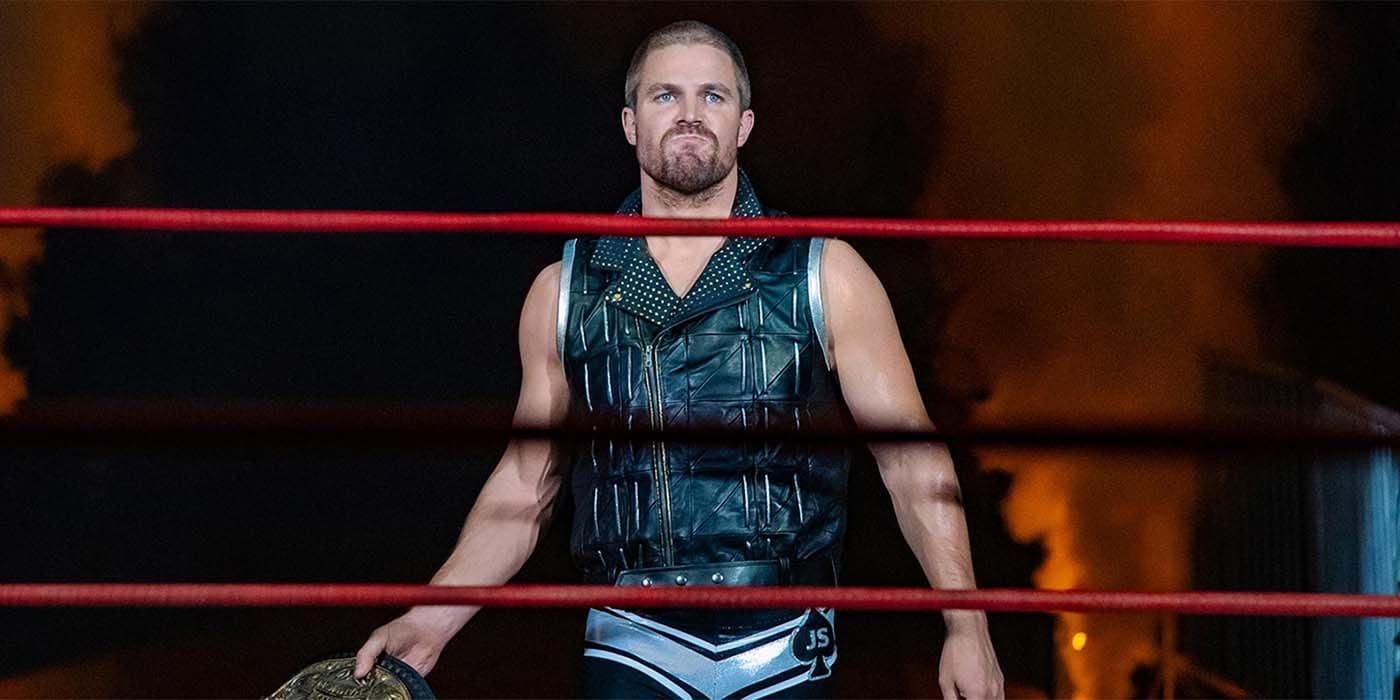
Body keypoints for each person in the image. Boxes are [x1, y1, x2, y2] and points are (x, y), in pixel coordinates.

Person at [355, 19, 1003, 699]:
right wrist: (429, 619)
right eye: (666, 95)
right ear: (630, 123)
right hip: (630, 646)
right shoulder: (564, 290)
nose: (690, 114)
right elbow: (524, 486)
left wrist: (968, 625)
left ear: (744, 124)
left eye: (712, 96)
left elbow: (911, 462)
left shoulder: (827, 273)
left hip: (784, 646)